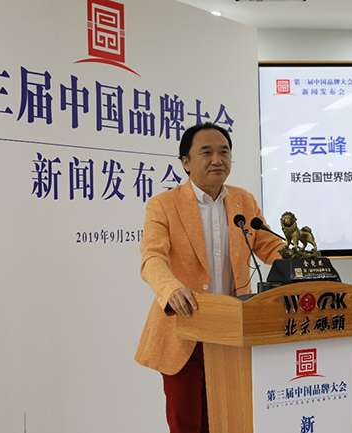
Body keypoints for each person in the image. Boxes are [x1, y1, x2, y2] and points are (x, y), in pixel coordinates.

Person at [134, 122, 284, 433]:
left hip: (232, 331)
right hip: (185, 329)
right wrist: (171, 289)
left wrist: (304, 263)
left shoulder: (243, 201)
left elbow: (268, 245)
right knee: (187, 423)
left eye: (224, 152)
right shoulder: (163, 205)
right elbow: (152, 258)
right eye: (206, 152)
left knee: (231, 420)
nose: (217, 160)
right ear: (186, 162)